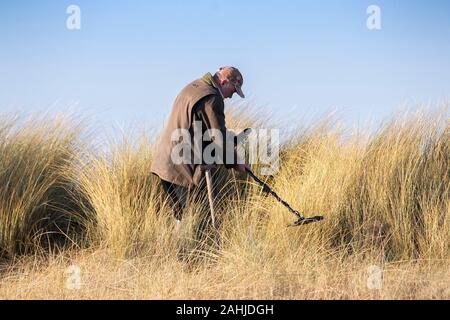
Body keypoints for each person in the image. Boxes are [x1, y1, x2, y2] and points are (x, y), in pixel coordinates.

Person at [151, 66, 247, 227]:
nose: (231, 96)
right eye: (233, 90)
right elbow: (218, 137)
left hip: (165, 162)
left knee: (179, 216)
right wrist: (235, 162)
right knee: (192, 219)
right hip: (182, 169)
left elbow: (200, 128)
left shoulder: (194, 86)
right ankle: (185, 251)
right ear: (224, 82)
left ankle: (175, 249)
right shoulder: (211, 97)